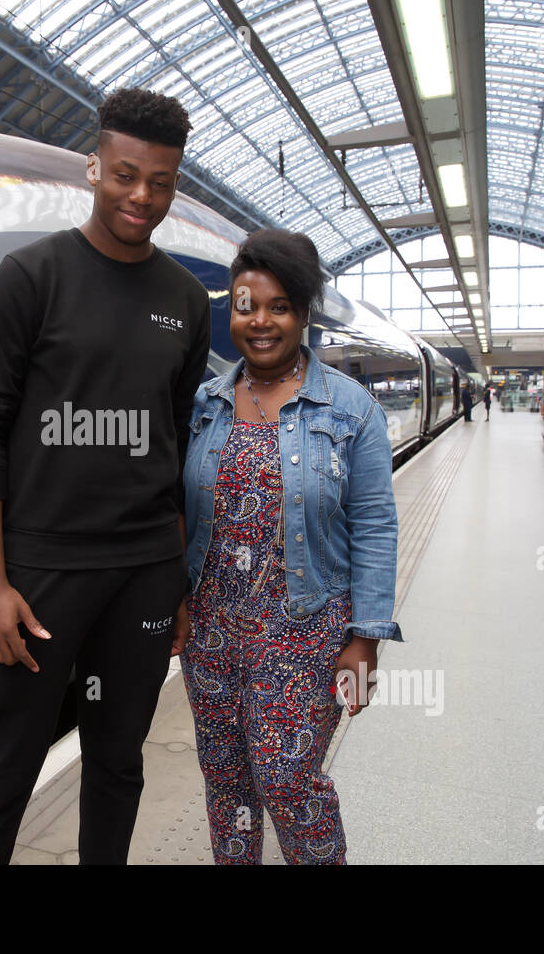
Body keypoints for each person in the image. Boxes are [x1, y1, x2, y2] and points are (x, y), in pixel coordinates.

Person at [0, 87, 211, 864]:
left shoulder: (186, 301)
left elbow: (171, 445)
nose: (142, 196)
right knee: (0, 778)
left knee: (117, 765)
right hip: (41, 574)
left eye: (160, 182)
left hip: (142, 572)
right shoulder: (32, 276)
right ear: (92, 167)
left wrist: (179, 583)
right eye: (126, 175)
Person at [176, 229, 401, 865]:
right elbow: (178, 508)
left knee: (288, 782)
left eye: (278, 307)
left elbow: (376, 524)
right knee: (227, 783)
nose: (261, 321)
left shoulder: (350, 409)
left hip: (305, 626)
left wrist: (366, 639)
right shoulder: (206, 405)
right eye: (246, 305)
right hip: (214, 631)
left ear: (303, 314)